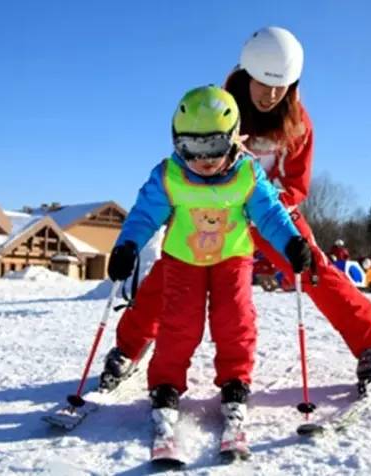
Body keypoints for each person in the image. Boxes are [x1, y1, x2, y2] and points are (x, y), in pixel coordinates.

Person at [101, 26, 371, 396]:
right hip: (211, 211)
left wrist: (272, 205)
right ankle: (128, 348)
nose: (271, 95)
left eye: (282, 86)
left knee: (313, 267)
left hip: (267, 210)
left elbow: (297, 183)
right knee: (171, 275)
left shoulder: (298, 123)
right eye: (263, 83)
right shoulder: (217, 105)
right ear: (246, 74)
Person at [107, 85, 312, 434]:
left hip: (232, 259)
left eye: (213, 146)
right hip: (182, 261)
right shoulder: (169, 176)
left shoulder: (248, 174)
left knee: (235, 321)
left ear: (233, 139)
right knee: (179, 325)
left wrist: (292, 242)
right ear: (176, 141)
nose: (202, 159)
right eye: (191, 147)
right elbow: (144, 215)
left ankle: (236, 381)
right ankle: (166, 384)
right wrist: (127, 245)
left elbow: (270, 214)